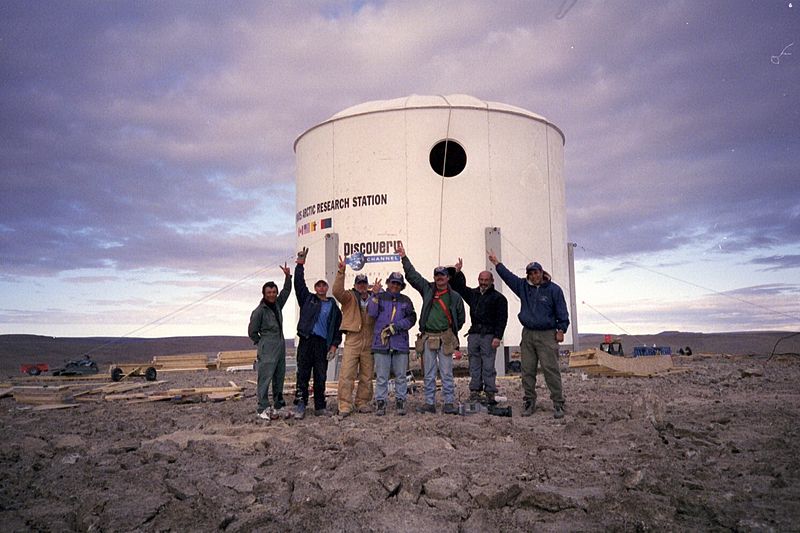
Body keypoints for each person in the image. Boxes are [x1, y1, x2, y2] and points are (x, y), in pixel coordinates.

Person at [488, 252, 569, 419]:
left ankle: (558, 403)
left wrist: (561, 329)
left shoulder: (554, 290)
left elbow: (562, 311)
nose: (534, 275)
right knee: (527, 370)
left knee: (551, 370)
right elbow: (508, 277)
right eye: (531, 273)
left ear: (542, 272)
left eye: (536, 272)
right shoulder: (523, 287)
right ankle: (530, 401)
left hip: (547, 334)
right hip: (528, 334)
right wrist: (497, 263)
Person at [397, 242, 465, 415]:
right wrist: (404, 257)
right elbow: (413, 276)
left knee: (447, 373)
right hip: (428, 337)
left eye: (442, 275)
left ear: (448, 277)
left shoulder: (455, 297)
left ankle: (449, 403)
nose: (439, 277)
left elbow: (461, 318)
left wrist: (449, 331)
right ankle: (429, 403)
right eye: (437, 275)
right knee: (428, 373)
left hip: (445, 338)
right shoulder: (427, 289)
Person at [451, 258, 508, 405]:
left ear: (492, 280)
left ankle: (489, 393)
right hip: (474, 334)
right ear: (478, 280)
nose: (483, 282)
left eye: (486, 280)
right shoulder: (473, 294)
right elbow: (459, 288)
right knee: (474, 365)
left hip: (489, 336)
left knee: (488, 366)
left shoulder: (499, 298)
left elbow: (502, 320)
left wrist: (498, 337)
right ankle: (475, 392)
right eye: (481, 280)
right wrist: (458, 273)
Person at [294, 247, 342, 419]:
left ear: (327, 287)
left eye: (324, 285)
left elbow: (337, 328)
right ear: (315, 287)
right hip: (306, 340)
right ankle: (300, 404)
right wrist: (300, 264)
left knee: (320, 376)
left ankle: (320, 406)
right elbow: (299, 284)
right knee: (303, 374)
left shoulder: (333, 307)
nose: (321, 288)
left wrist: (334, 346)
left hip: (322, 344)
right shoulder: (307, 299)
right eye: (318, 285)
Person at [332, 255, 378, 416]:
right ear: (355, 285)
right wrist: (341, 271)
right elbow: (336, 291)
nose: (362, 286)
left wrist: (377, 295)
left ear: (367, 284)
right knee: (347, 374)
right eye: (359, 283)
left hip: (369, 340)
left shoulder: (374, 297)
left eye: (364, 283)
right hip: (352, 339)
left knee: (367, 375)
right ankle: (344, 404)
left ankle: (363, 402)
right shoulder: (349, 297)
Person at [367, 272, 417, 416]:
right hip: (381, 343)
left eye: (398, 284)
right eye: (393, 283)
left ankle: (400, 401)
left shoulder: (406, 300)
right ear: (388, 283)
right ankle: (381, 402)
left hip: (400, 343)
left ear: (401, 286)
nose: (395, 286)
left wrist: (397, 326)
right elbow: (371, 313)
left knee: (401, 376)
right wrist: (374, 295)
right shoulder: (379, 297)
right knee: (382, 376)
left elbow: (412, 318)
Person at [248, 263, 292, 420]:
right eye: (269, 292)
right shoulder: (259, 311)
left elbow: (286, 292)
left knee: (279, 375)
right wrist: (262, 343)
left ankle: (278, 403)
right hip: (267, 345)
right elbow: (252, 331)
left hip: (280, 345)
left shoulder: (277, 305)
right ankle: (263, 407)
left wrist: (288, 277)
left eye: (274, 292)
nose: (272, 294)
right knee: (265, 376)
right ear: (264, 294)